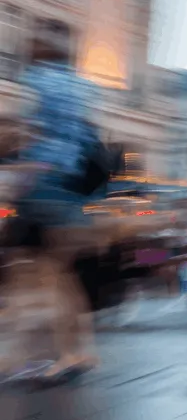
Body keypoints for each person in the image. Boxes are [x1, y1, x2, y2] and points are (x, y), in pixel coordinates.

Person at [11, 20, 105, 382]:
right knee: (60, 276)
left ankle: (57, 355)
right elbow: (86, 136)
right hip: (72, 188)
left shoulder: (36, 81)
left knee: (38, 273)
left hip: (42, 186)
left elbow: (27, 134)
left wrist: (18, 179)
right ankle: (76, 352)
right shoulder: (83, 86)